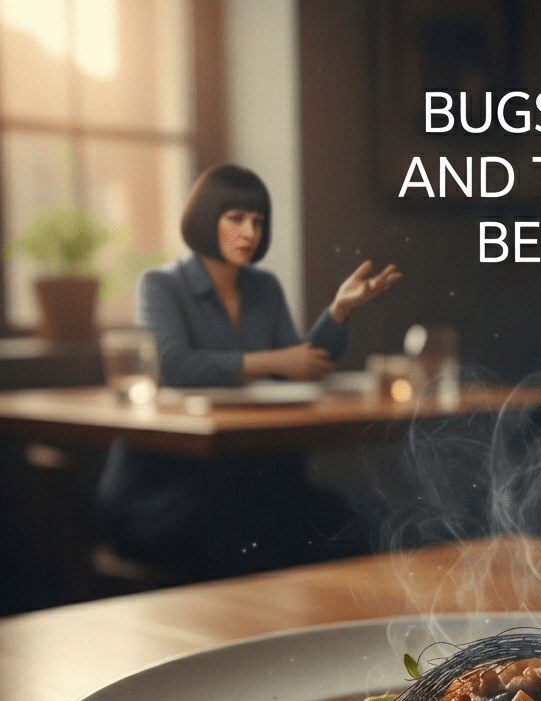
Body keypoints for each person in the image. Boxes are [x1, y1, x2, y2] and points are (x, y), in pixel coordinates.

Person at [95, 164, 401, 580]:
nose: (250, 232)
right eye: (236, 218)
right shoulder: (161, 286)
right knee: (251, 536)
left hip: (251, 481)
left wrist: (339, 311)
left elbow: (303, 366)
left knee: (356, 523)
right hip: (172, 487)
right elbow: (175, 365)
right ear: (206, 219)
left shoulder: (264, 289)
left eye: (257, 221)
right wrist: (273, 361)